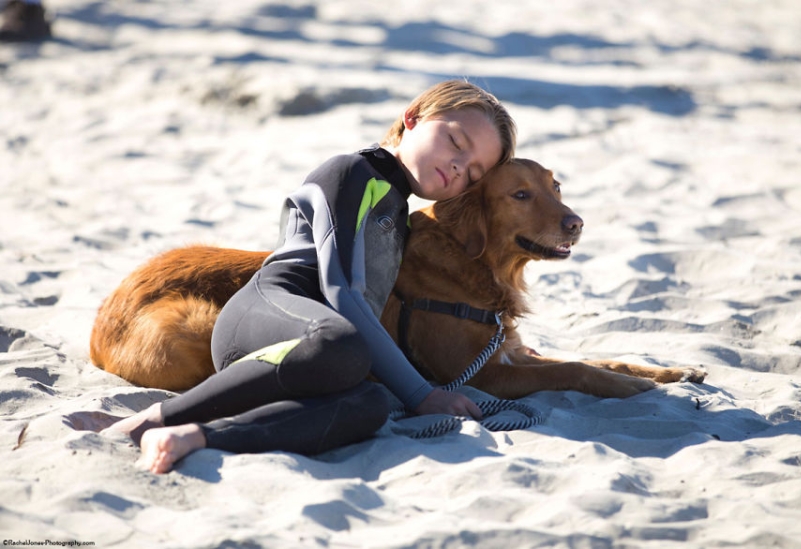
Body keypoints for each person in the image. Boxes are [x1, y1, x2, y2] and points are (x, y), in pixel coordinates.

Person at [104, 80, 517, 474]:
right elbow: (342, 292)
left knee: (369, 404)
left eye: (474, 174)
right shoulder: (352, 172)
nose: (459, 165)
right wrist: (422, 394)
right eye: (456, 142)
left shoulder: (398, 212)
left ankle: (195, 437)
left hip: (321, 350)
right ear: (412, 117)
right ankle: (152, 419)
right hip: (266, 314)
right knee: (344, 343)